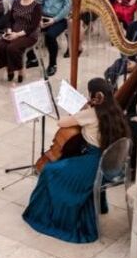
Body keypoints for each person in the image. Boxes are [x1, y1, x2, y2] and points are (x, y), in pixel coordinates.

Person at [22, 77, 130, 244]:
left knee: (50, 171)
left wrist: (81, 110)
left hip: (93, 163)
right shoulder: (115, 110)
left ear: (95, 95)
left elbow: (61, 122)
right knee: (62, 166)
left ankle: (45, 216)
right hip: (109, 164)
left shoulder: (91, 114)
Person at [0, 0, 42, 83]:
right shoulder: (16, 2)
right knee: (0, 46)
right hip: (14, 31)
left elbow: (33, 26)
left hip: (29, 34)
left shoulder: (36, 6)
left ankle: (20, 70)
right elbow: (10, 19)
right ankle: (9, 68)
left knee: (12, 48)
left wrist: (17, 35)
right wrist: (9, 31)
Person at [31, 0, 72, 77]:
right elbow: (39, 2)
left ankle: (52, 64)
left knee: (50, 35)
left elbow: (67, 7)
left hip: (59, 19)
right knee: (26, 28)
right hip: (43, 16)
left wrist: (53, 20)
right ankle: (32, 59)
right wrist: (39, 18)